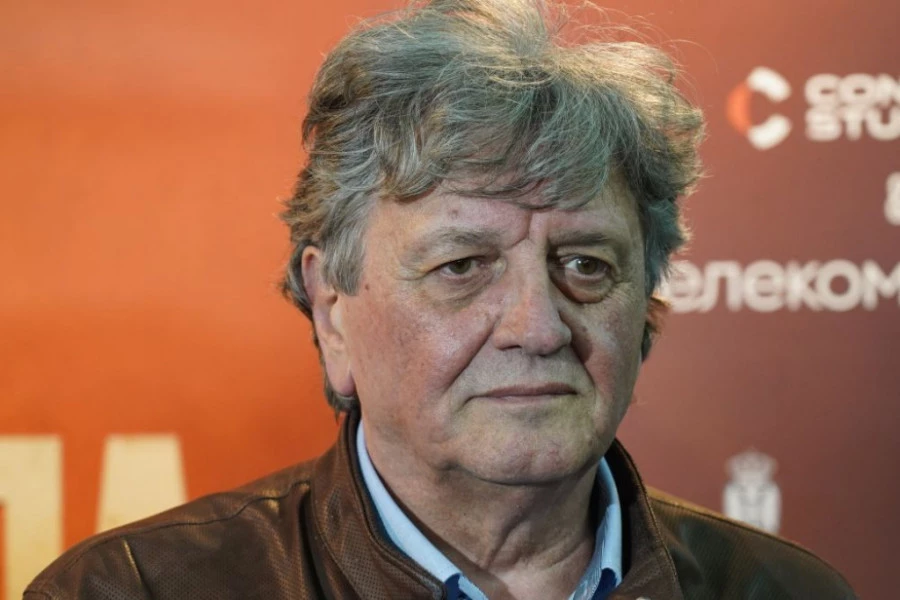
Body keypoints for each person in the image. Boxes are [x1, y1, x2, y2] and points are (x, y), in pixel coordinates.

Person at [26, 1, 856, 598]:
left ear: (646, 307)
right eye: (463, 265)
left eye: (585, 264)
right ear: (332, 311)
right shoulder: (129, 590)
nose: (537, 327)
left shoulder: (786, 591)